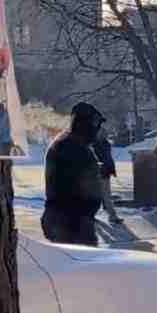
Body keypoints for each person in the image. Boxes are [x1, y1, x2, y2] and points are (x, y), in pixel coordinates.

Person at [42, 102, 105, 246]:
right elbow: (78, 186)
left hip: (71, 221)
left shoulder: (72, 143)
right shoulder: (70, 146)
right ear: (84, 124)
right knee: (81, 265)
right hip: (70, 223)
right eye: (95, 124)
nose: (97, 129)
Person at [93, 124, 123, 225]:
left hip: (104, 173)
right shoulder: (93, 144)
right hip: (97, 173)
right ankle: (111, 216)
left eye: (103, 133)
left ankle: (112, 216)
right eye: (101, 132)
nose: (103, 134)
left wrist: (112, 170)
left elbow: (109, 159)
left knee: (105, 196)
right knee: (100, 196)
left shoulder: (105, 144)